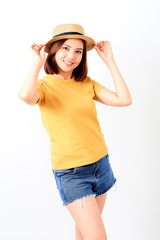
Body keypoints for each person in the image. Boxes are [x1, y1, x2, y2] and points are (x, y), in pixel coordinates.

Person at [18, 23, 132, 240]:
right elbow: (25, 96)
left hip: (101, 164)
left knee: (84, 234)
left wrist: (110, 61)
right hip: (72, 173)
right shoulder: (44, 86)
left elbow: (124, 100)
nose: (72, 55)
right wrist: (36, 64)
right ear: (53, 51)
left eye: (78, 51)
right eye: (65, 48)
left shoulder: (86, 83)